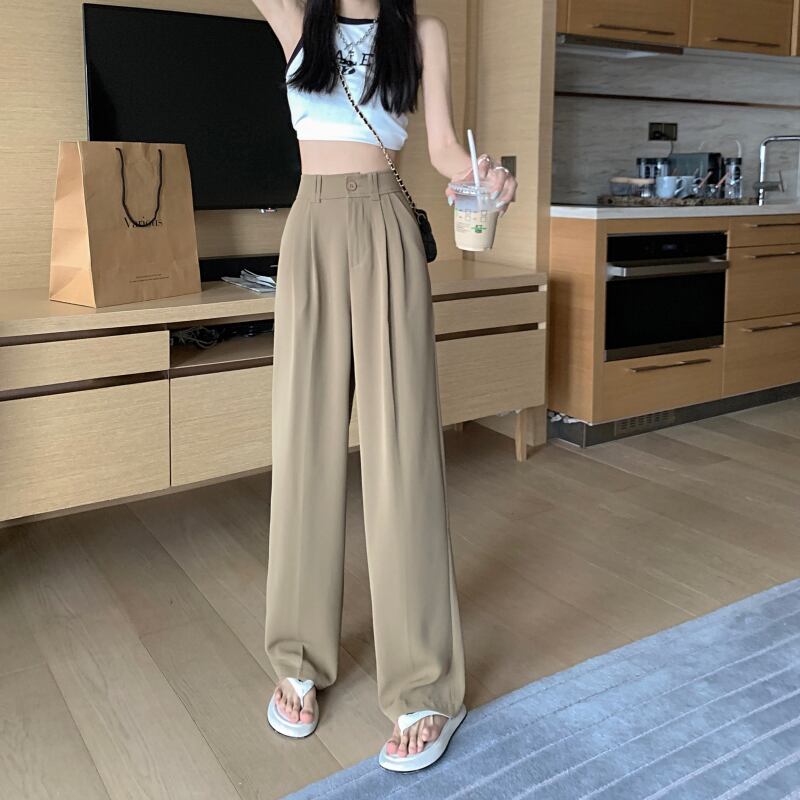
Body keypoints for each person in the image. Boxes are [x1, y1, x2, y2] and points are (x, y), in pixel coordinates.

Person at [253, 0, 517, 772]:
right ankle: (297, 657)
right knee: (303, 447)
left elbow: (443, 147)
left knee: (403, 452)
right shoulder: (298, 18)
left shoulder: (421, 33)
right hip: (309, 228)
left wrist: (484, 177)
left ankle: (425, 684)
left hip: (386, 228)